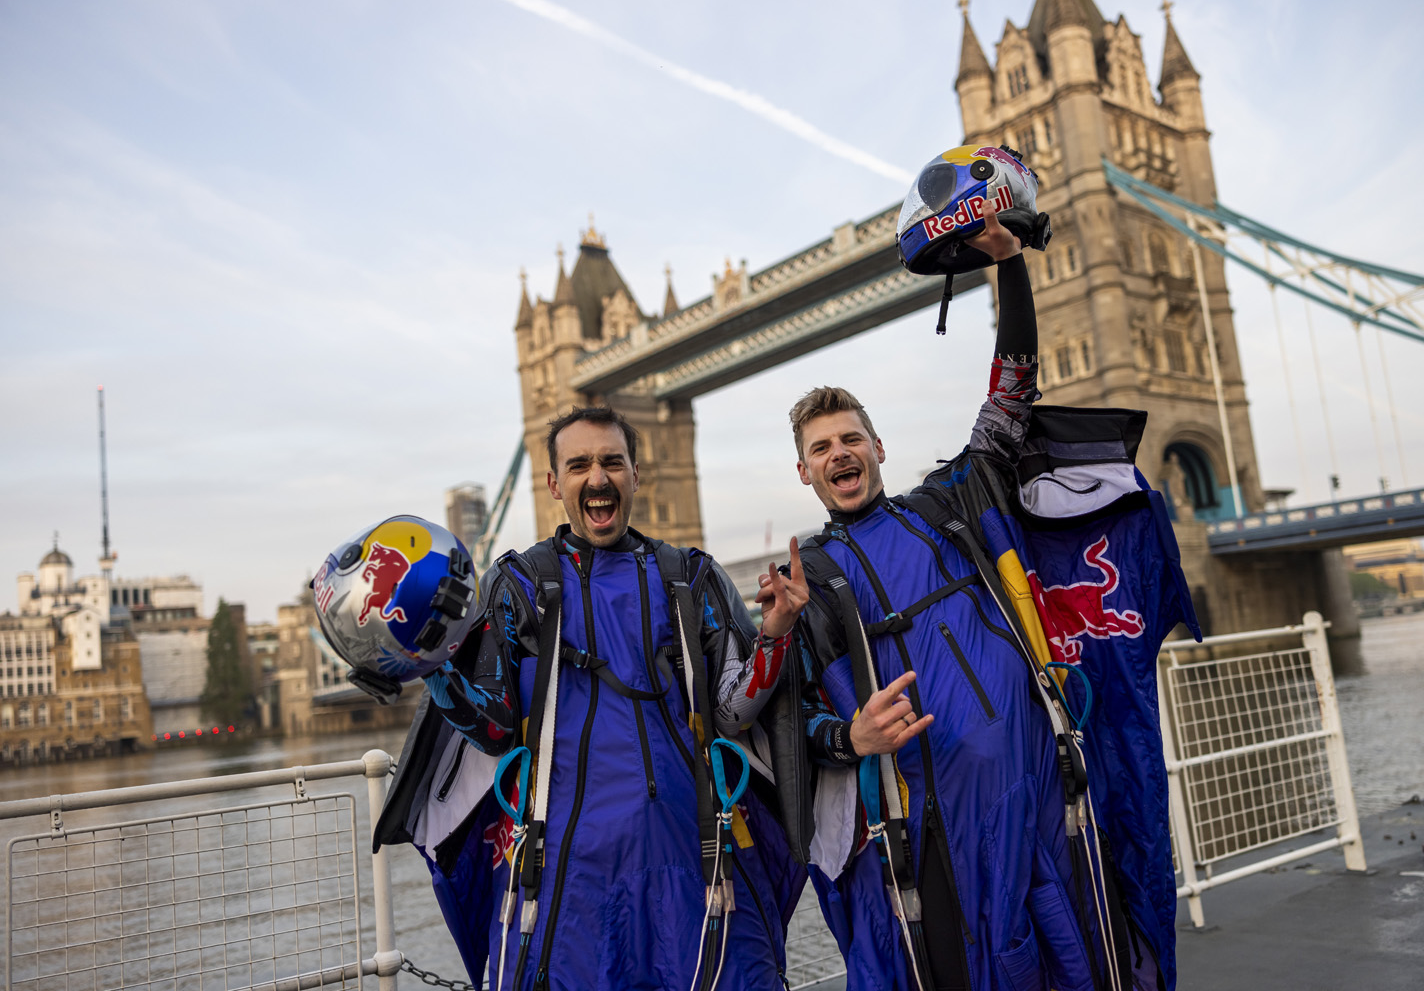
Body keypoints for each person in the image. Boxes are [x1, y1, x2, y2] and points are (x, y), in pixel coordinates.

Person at [774, 148, 1198, 991]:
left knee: (1090, 970)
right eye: (822, 449)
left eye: (852, 438)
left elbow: (1012, 390)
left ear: (878, 447)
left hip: (1044, 797)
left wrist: (1010, 272)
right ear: (806, 474)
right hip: (938, 835)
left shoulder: (950, 502)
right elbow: (788, 732)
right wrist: (847, 737)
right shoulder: (806, 581)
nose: (840, 454)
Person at [368, 405, 808, 991]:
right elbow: (496, 730)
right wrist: (434, 668)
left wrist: (774, 633)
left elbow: (731, 711)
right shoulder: (518, 585)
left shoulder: (693, 576)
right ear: (554, 484)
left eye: (612, 463)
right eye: (578, 465)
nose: (597, 478)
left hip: (693, 858)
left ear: (634, 475)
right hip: (566, 879)